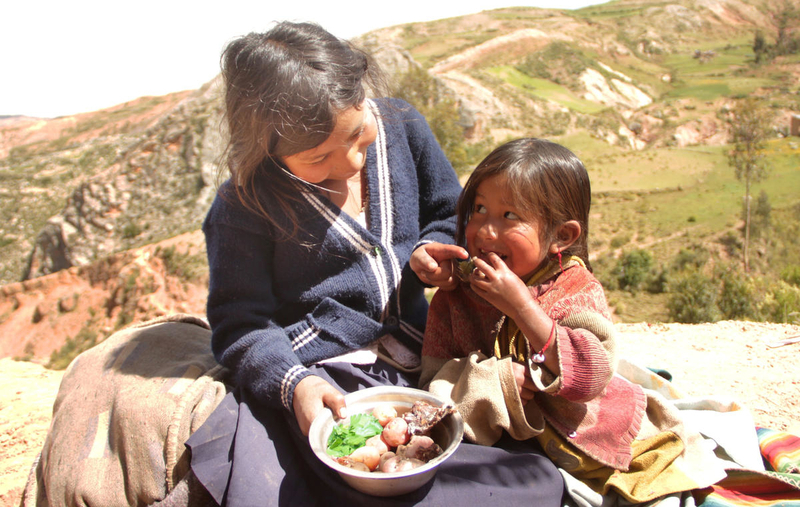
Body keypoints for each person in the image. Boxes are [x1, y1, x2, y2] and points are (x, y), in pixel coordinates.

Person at [183, 23, 565, 506]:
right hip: (323, 372)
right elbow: (241, 326)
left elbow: (449, 212)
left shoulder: (402, 127)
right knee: (337, 476)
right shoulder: (244, 206)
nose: (350, 163)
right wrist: (294, 385)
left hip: (424, 359)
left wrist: (431, 251)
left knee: (533, 480)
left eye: (358, 134)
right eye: (319, 156)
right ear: (268, 151)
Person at [420, 138, 726, 503]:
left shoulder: (575, 289)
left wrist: (521, 307)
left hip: (599, 439)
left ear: (561, 237)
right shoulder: (455, 297)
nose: (485, 230)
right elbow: (432, 384)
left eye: (510, 216)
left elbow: (592, 376)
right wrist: (494, 382)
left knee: (656, 491)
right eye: (480, 208)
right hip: (514, 452)